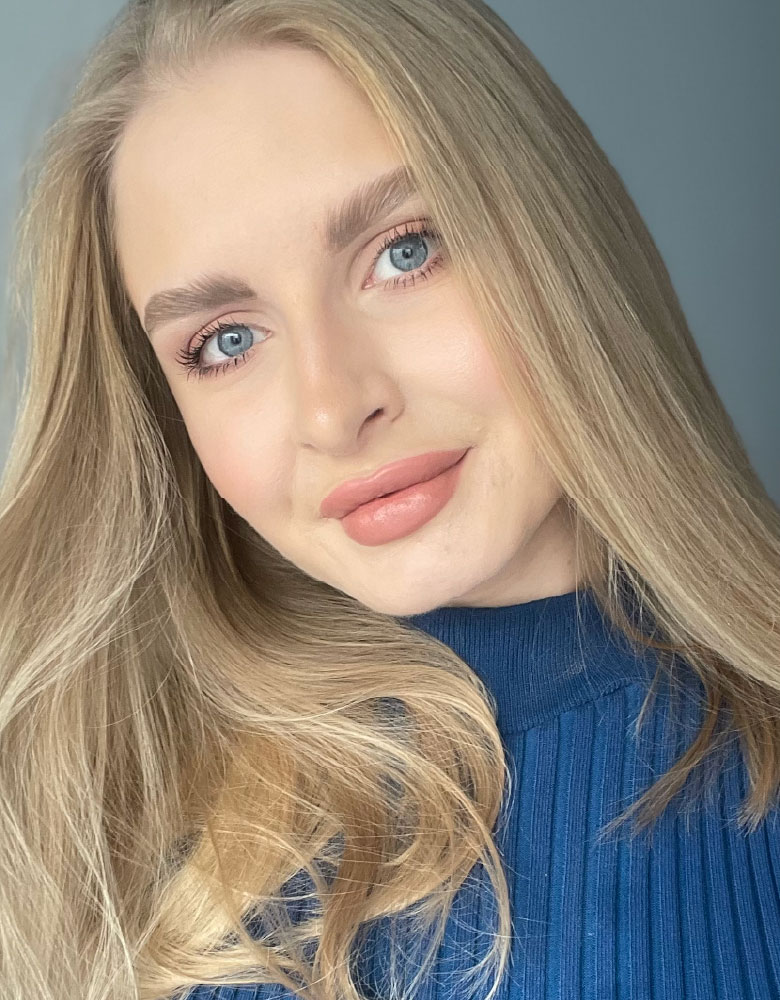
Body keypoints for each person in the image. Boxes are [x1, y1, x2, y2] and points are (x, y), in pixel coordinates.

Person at [0, 0, 778, 998]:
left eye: (404, 252)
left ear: (559, 239)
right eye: (226, 341)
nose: (334, 410)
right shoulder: (85, 822)